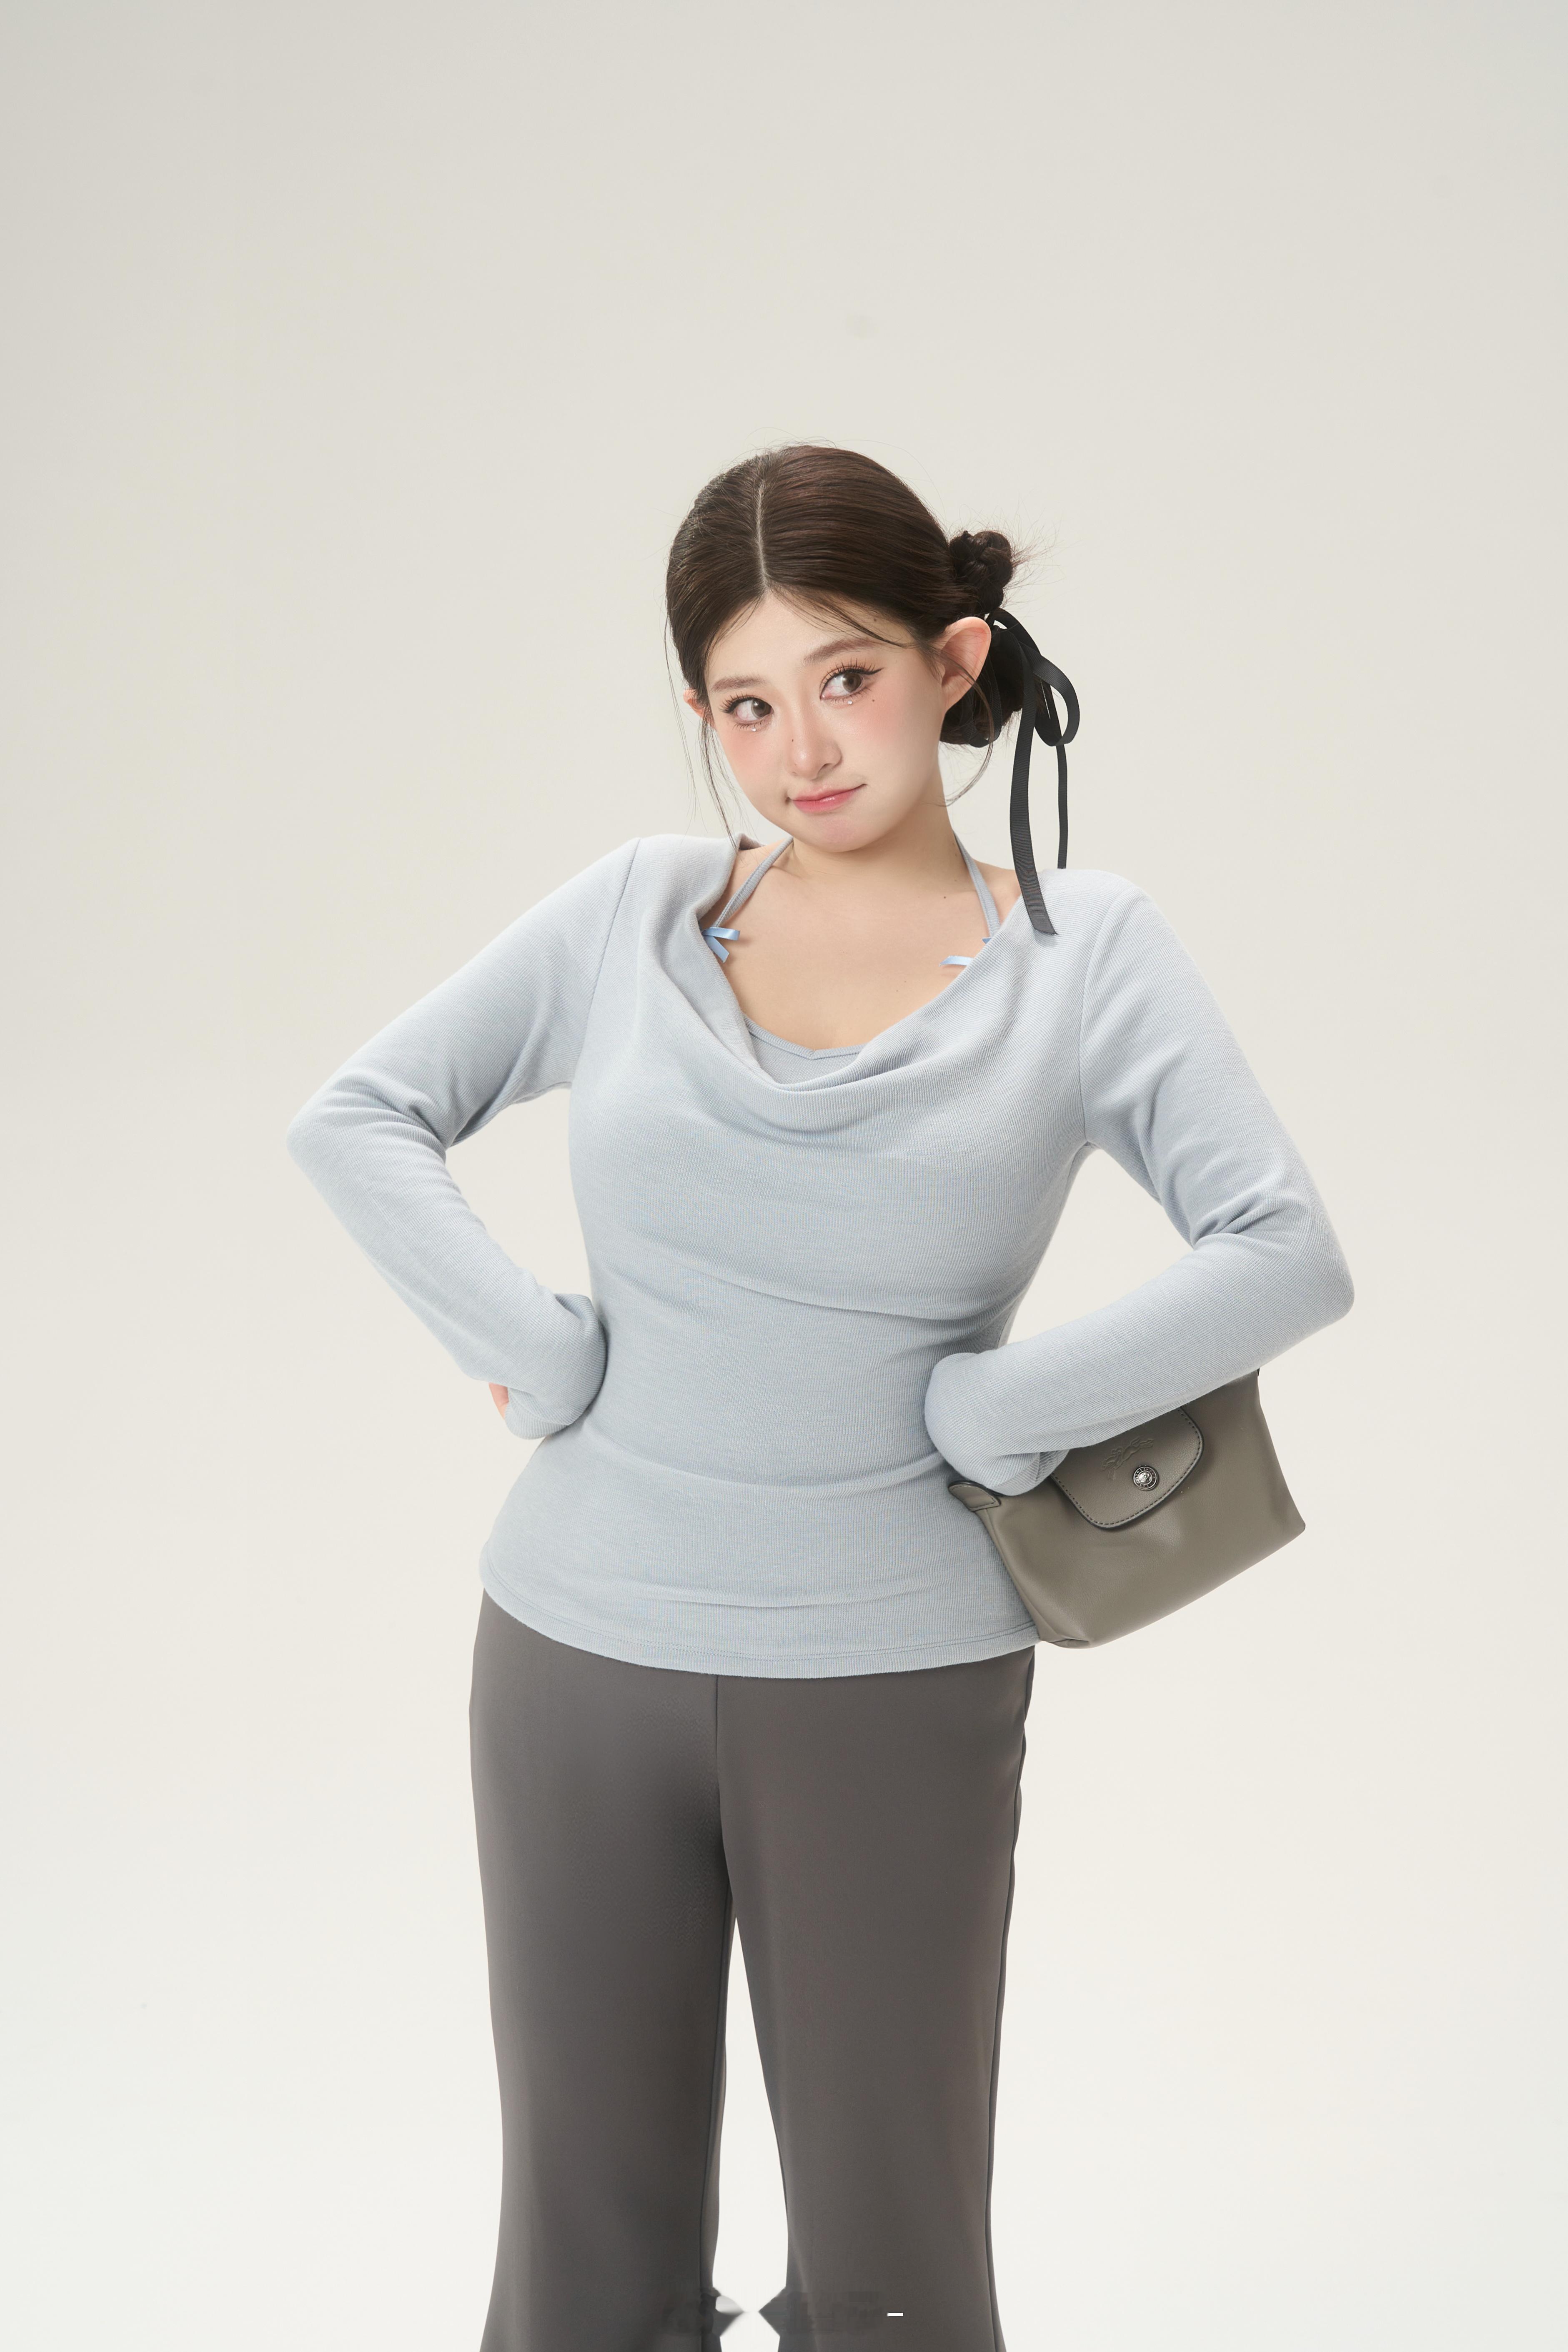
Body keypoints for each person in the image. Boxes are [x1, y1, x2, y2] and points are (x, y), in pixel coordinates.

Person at [285, 443, 1355, 2352]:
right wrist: (532, 1348)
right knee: (578, 2271)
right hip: (570, 1659)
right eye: (744, 705)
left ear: (953, 662)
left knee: (891, 2279)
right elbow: (358, 1115)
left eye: (844, 678)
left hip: (892, 1679)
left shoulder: (1082, 956)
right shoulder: (631, 911)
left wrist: (1000, 1409)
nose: (800, 750)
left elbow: (1280, 1247)